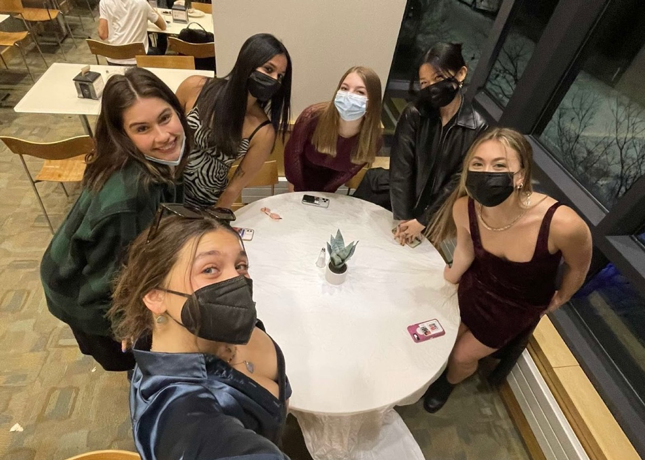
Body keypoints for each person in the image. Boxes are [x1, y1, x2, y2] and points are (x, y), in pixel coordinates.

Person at [423, 127, 592, 412]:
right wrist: (447, 280)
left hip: (514, 308)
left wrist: (561, 298)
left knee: (462, 356)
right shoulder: (464, 208)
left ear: (520, 176)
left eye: (499, 165)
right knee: (446, 337)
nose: (486, 173)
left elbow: (579, 266)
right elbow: (465, 250)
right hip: (475, 287)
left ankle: (448, 383)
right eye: (478, 164)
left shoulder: (562, 224)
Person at [109, 210, 290, 460]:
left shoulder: (218, 323)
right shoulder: (180, 412)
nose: (237, 280)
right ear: (155, 296)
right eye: (210, 269)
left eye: (240, 265)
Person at [40, 68, 188, 372]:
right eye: (142, 128)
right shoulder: (130, 199)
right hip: (80, 290)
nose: (163, 136)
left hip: (100, 265)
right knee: (132, 355)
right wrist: (127, 323)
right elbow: (106, 279)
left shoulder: (157, 160)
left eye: (165, 118)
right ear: (123, 135)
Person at [353, 42, 488, 244]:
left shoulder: (477, 127)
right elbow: (401, 168)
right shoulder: (414, 113)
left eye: (438, 78)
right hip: (392, 199)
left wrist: (423, 220)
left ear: (461, 74)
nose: (432, 87)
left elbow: (458, 181)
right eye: (424, 83)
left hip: (433, 214)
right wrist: (404, 219)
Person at [176, 33, 292, 209]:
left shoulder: (263, 132)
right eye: (268, 69)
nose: (275, 80)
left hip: (206, 204)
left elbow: (233, 190)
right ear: (248, 63)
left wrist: (212, 218)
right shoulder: (194, 87)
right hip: (166, 187)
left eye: (280, 76)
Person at [284, 66, 383, 192]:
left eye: (360, 92)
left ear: (372, 102)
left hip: (330, 187)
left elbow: (348, 173)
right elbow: (293, 154)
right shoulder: (311, 117)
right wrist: (296, 188)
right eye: (344, 88)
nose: (349, 95)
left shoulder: (373, 139)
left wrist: (327, 192)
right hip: (300, 177)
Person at [98, 0, 167, 65]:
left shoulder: (104, 2)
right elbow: (163, 26)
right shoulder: (142, 3)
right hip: (137, 60)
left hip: (113, 59)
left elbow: (103, 35)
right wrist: (150, 9)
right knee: (159, 48)